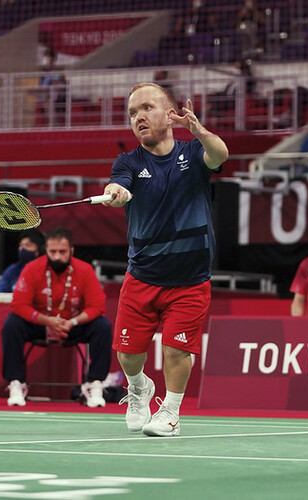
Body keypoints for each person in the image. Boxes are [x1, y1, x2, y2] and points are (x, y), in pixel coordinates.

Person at [102, 82, 229, 436]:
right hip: (142, 275)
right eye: (132, 113)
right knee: (128, 354)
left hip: (189, 279)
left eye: (146, 108)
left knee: (176, 349)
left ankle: (170, 413)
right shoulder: (128, 161)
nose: (138, 118)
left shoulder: (193, 154)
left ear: (170, 115)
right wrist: (117, 191)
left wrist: (199, 130)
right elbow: (121, 182)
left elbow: (220, 156)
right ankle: (140, 388)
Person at [1, 227, 112, 408]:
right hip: (41, 324)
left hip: (72, 325)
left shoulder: (84, 269)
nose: (57, 256)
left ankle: (95, 384)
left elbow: (97, 307)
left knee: (102, 326)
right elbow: (19, 305)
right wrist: (47, 321)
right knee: (12, 323)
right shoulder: (32, 269)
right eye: (52, 252)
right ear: (46, 250)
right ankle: (16, 383)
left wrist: (72, 322)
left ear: (72, 251)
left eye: (62, 252)